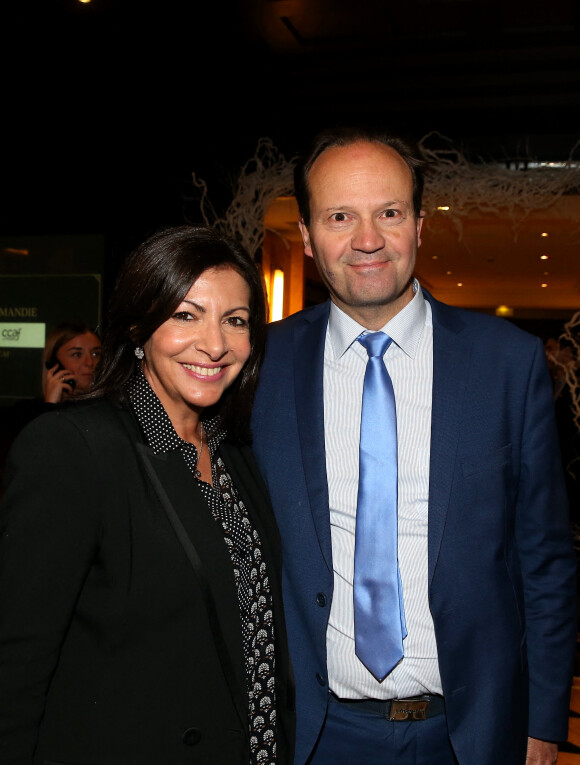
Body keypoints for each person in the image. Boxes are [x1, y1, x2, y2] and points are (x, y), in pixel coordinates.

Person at [250, 126, 577, 765]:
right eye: (340, 216)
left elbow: (544, 558)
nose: (367, 239)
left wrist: (543, 719)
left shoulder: (506, 364)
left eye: (389, 213)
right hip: (312, 735)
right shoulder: (261, 364)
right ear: (310, 239)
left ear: (419, 226)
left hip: (472, 732)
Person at [0, 225, 295, 765]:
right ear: (139, 323)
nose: (214, 343)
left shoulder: (234, 452)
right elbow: (16, 665)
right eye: (186, 314)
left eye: (235, 320)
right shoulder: (74, 449)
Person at [42, 319, 102, 403]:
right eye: (77, 354)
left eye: (96, 354)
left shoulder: (116, 408)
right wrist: (51, 404)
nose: (90, 362)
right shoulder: (27, 412)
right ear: (54, 363)